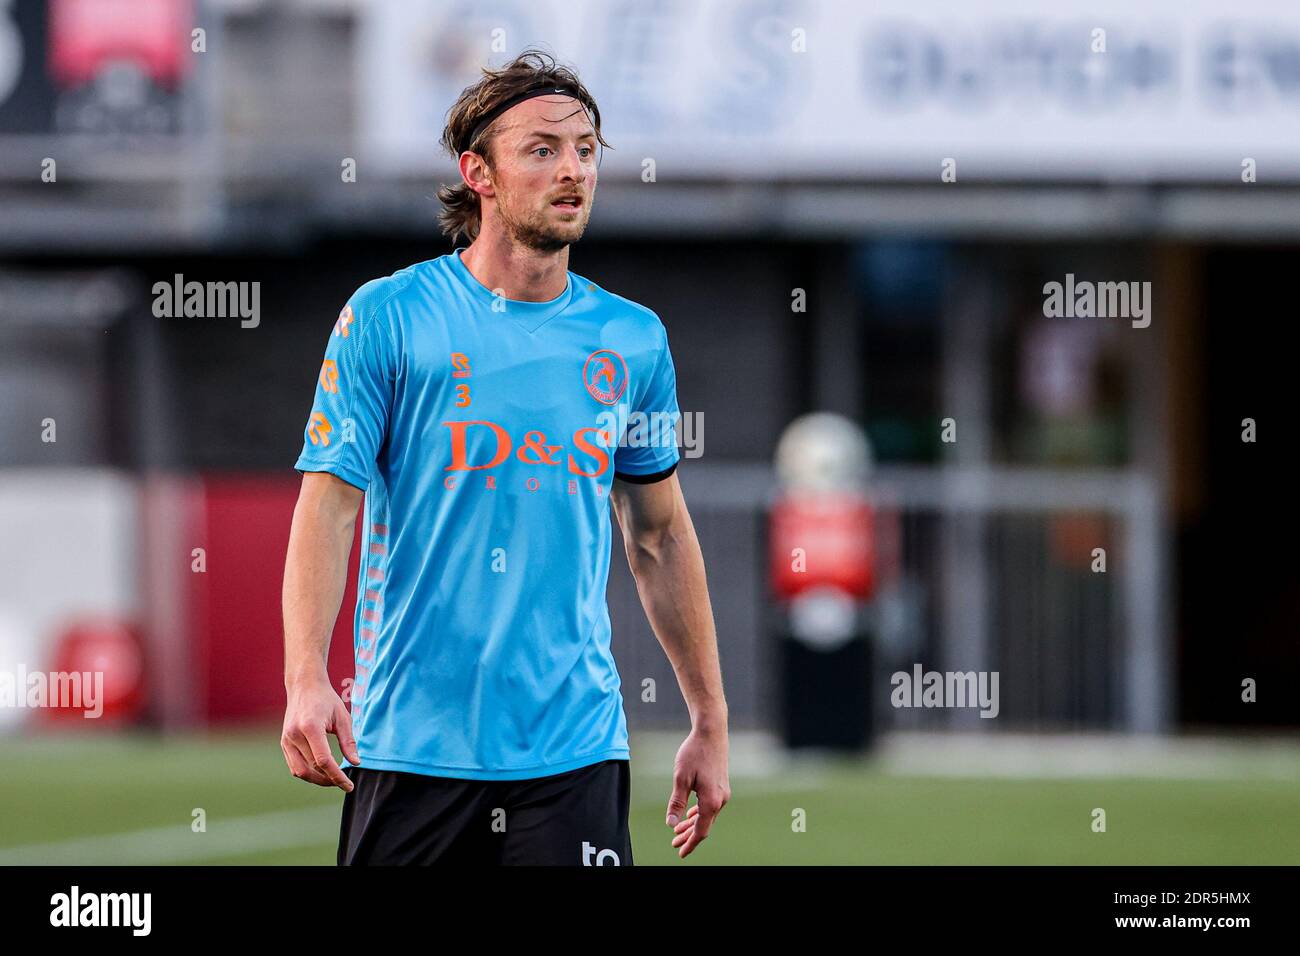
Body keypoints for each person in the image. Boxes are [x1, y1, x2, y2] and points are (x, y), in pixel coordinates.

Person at [280, 49, 729, 865]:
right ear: (477, 172)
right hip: (412, 745)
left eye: (587, 150)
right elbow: (329, 505)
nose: (573, 170)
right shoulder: (388, 317)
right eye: (543, 149)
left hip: (575, 751)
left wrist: (709, 717)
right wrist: (306, 675)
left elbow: (659, 537)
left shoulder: (633, 340)